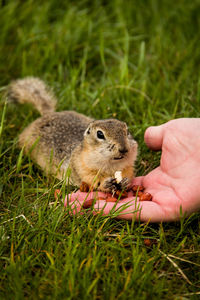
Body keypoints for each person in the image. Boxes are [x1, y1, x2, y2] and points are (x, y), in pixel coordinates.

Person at [67, 118, 200, 222]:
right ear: (88, 134)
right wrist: (102, 184)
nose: (124, 147)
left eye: (126, 134)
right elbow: (87, 176)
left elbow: (127, 170)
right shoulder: (82, 159)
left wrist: (125, 181)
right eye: (101, 135)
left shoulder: (126, 149)